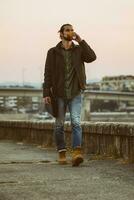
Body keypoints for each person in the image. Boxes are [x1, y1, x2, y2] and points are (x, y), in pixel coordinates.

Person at [43, 24, 96, 166]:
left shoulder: (79, 50)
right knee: (59, 125)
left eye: (72, 29)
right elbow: (47, 73)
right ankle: (61, 152)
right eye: (67, 30)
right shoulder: (52, 52)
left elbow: (92, 57)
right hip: (58, 94)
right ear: (60, 33)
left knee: (76, 122)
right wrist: (46, 92)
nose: (71, 32)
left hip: (75, 93)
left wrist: (81, 41)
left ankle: (77, 153)